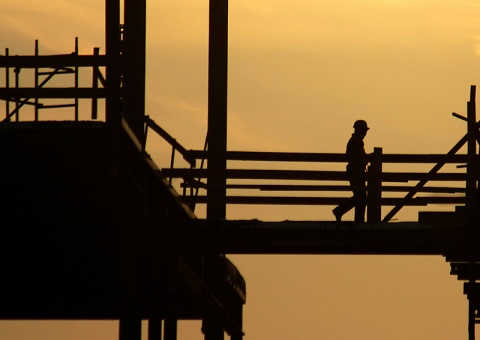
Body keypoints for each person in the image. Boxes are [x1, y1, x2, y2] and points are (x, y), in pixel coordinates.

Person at [332, 119, 369, 225]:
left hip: (356, 172)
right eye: (364, 130)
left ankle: (356, 219)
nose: (365, 133)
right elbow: (356, 158)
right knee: (361, 197)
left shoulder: (355, 141)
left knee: (360, 197)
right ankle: (341, 212)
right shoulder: (355, 142)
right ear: (359, 130)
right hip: (355, 173)